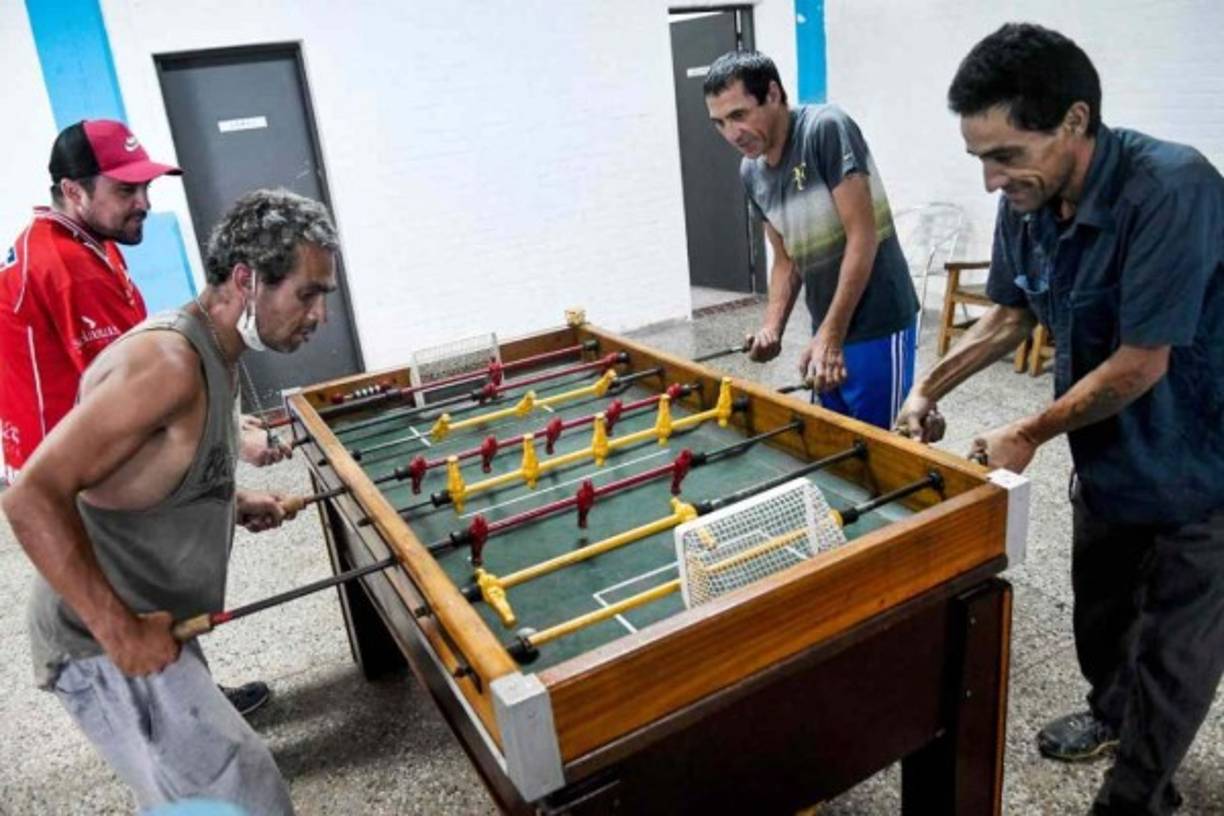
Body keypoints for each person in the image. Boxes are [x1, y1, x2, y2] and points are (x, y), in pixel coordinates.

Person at [895, 23, 1223, 816]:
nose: (990, 180)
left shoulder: (1172, 189)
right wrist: (925, 389)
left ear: (1075, 121)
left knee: (1175, 649)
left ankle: (1138, 794)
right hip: (1109, 454)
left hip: (1199, 456)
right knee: (1102, 611)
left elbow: (1145, 362)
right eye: (980, 158)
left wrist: (1029, 431)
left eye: (1005, 154)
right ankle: (1111, 715)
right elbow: (1009, 314)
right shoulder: (1029, 198)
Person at [2, 188, 340, 813]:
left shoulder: (219, 351)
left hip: (150, 618)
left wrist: (227, 499)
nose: (319, 315)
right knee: (248, 797)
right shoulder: (168, 362)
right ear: (246, 279)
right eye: (307, 293)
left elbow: (144, 473)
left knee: (197, 793)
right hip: (98, 637)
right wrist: (119, 630)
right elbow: (31, 497)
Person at [0, 119, 284, 715]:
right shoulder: (69, 266)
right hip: (80, 481)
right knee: (130, 604)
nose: (145, 204)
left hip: (74, 462)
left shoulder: (81, 244)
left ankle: (190, 694)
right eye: (126, 191)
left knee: (153, 603)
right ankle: (179, 725)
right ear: (74, 192)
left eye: (146, 188)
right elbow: (140, 394)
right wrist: (233, 439)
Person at [703, 50, 920, 429]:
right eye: (719, 123)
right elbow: (786, 258)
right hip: (826, 326)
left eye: (739, 115)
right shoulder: (751, 171)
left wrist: (831, 336)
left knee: (883, 450)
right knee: (831, 444)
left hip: (877, 323)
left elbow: (862, 237)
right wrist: (774, 326)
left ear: (772, 94)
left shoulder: (825, 128)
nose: (731, 134)